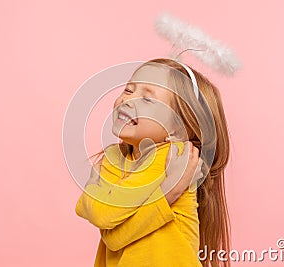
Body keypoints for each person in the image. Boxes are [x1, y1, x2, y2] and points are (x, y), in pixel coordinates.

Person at [76, 58, 231, 267]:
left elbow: (108, 227)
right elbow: (102, 217)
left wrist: (96, 190)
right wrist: (168, 192)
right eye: (129, 90)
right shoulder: (114, 157)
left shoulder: (174, 155)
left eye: (148, 99)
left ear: (180, 128)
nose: (127, 100)